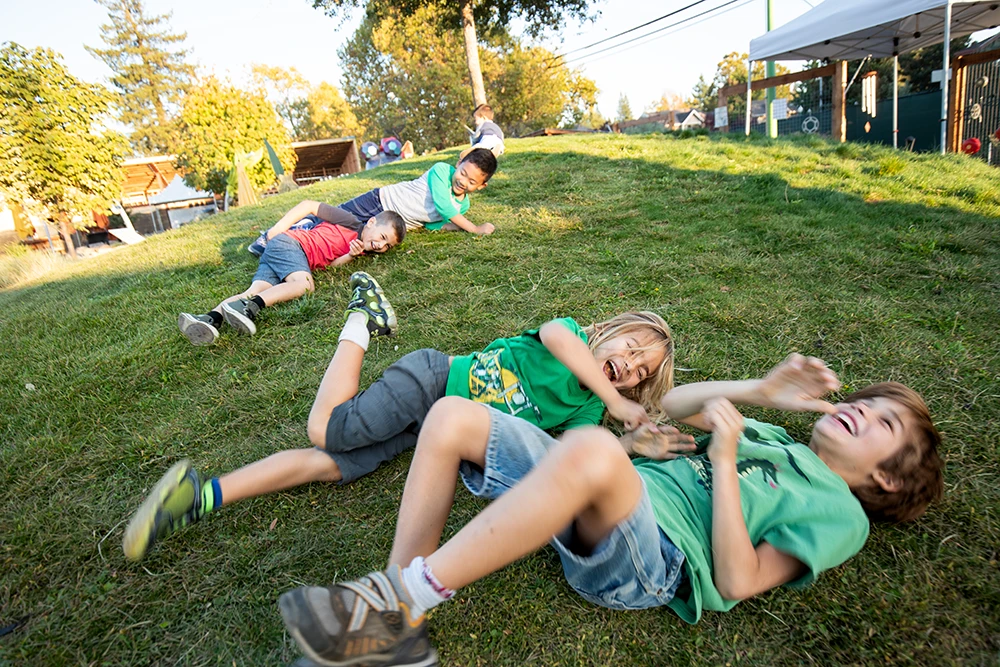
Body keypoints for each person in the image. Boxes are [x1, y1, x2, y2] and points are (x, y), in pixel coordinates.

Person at [274, 354, 944, 667]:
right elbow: (675, 406)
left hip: (654, 559)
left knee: (595, 450)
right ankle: (390, 625)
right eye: (865, 398)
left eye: (881, 420)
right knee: (448, 415)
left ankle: (400, 601)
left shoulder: (839, 514)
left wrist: (720, 462)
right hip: (599, 487)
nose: (860, 406)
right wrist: (758, 390)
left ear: (885, 477)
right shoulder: (771, 436)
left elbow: (738, 582)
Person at [123, 274, 676, 561]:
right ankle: (361, 318)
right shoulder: (572, 335)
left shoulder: (586, 411)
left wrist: (629, 445)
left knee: (331, 464)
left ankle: (199, 496)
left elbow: (574, 463)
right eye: (631, 347)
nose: (628, 366)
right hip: (430, 381)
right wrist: (617, 399)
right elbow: (557, 338)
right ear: (610, 331)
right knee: (326, 429)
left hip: (429, 430)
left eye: (639, 373)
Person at [177, 201, 405, 346]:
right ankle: (250, 307)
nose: (380, 246)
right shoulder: (350, 221)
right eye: (382, 237)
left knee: (257, 289)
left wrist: (351, 256)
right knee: (305, 284)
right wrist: (278, 229)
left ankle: (209, 319)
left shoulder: (360, 249)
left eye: (387, 246)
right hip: (291, 245)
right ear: (372, 222)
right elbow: (309, 205)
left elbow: (332, 265)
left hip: (290, 259)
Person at [337, 148, 498, 236]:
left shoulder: (462, 207)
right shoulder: (441, 171)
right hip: (381, 202)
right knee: (338, 216)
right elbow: (443, 206)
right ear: (458, 164)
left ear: (481, 186)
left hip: (390, 224)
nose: (463, 182)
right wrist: (474, 228)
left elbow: (432, 225)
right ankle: (311, 218)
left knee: (347, 235)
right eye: (463, 173)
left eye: (471, 182)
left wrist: (458, 226)